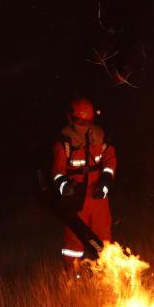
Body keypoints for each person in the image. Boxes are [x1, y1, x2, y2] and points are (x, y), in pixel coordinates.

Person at [51, 97, 117, 269]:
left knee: (104, 239)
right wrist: (64, 185)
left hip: (97, 197)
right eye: (79, 121)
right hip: (75, 199)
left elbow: (110, 159)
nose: (83, 125)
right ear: (71, 119)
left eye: (86, 121)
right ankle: (72, 280)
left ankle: (108, 276)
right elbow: (57, 171)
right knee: (74, 240)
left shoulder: (99, 137)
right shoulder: (63, 143)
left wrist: (106, 180)